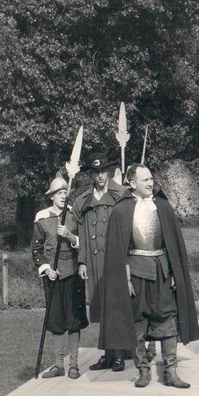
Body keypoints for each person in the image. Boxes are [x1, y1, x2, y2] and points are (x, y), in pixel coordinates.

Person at [97, 164, 199, 389]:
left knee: (167, 317)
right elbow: (118, 251)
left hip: (162, 270)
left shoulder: (162, 206)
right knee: (138, 322)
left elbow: (172, 244)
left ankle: (171, 371)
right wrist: (125, 279)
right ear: (132, 184)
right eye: (145, 180)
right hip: (135, 273)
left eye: (152, 178)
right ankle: (143, 370)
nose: (151, 183)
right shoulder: (121, 210)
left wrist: (173, 271)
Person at [72, 152, 127, 372]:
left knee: (116, 306)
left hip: (114, 260)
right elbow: (81, 232)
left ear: (109, 172)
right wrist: (82, 262)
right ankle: (108, 353)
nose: (101, 176)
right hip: (94, 262)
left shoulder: (121, 195)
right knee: (102, 306)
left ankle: (120, 354)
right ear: (91, 175)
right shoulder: (83, 201)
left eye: (104, 171)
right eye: (96, 172)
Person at [32, 175, 88, 379]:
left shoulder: (75, 215)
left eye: (65, 192)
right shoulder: (42, 218)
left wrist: (70, 236)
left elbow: (85, 244)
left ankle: (73, 364)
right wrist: (47, 269)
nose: (63, 196)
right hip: (53, 276)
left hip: (74, 273)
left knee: (74, 319)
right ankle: (58, 364)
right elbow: (36, 249)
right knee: (56, 319)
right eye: (59, 193)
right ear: (51, 197)